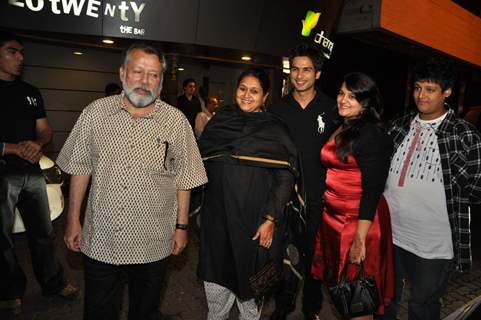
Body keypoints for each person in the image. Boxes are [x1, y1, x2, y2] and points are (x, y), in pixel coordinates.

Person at [56, 43, 207, 320]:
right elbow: (80, 167)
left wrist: (182, 227)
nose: (144, 81)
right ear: (123, 72)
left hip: (153, 240)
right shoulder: (95, 113)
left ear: (161, 82)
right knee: (99, 311)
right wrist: (72, 218)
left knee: (145, 312)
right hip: (101, 236)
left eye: (153, 75)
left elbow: (184, 178)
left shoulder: (176, 122)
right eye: (138, 72)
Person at [383, 58, 481, 320]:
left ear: (447, 92)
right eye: (417, 88)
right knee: (386, 299)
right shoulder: (399, 125)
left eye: (430, 89)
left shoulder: (463, 134)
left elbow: (475, 188)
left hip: (433, 242)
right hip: (391, 233)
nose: (421, 95)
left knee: (423, 305)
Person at [198, 68, 298, 320]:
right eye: (242, 88)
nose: (246, 95)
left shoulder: (274, 129)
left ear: (265, 96)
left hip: (253, 225)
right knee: (216, 296)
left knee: (250, 302)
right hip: (218, 221)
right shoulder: (220, 121)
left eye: (254, 91)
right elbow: (201, 164)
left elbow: (285, 176)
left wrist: (270, 219)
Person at [0, 31, 79, 317]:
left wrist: (38, 143)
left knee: (44, 233)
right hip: (2, 173)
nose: (20, 58)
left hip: (31, 171)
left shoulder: (30, 92)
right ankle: (9, 292)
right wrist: (11, 148)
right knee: (3, 239)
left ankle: (53, 283)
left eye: (21, 53)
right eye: (12, 52)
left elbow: (45, 129)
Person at [311, 72, 395, 319]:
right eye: (341, 93)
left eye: (352, 96)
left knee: (358, 299)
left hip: (358, 224)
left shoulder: (371, 134)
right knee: (342, 294)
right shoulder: (344, 126)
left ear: (366, 103)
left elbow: (372, 191)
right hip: (334, 220)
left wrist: (360, 239)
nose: (343, 100)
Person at [269, 43, 335, 320]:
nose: (299, 75)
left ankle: (311, 309)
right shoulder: (277, 108)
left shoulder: (331, 108)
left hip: (319, 199)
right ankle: (282, 308)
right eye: (295, 69)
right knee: (283, 255)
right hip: (284, 197)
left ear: (317, 73)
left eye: (306, 69)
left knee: (313, 259)